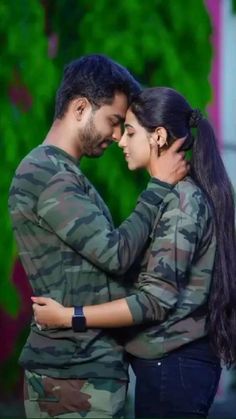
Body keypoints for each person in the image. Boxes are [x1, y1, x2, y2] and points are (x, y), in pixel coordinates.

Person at [33, 87, 236, 419]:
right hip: (169, 367)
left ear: (157, 136)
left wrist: (69, 316)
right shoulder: (171, 197)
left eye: (129, 132)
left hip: (175, 369)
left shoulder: (183, 204)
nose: (121, 141)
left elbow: (154, 301)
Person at [8, 56, 188, 419]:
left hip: (86, 373)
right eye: (114, 122)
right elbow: (116, 254)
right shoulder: (46, 173)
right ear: (79, 108)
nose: (118, 135)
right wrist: (158, 187)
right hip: (71, 379)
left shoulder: (66, 174)